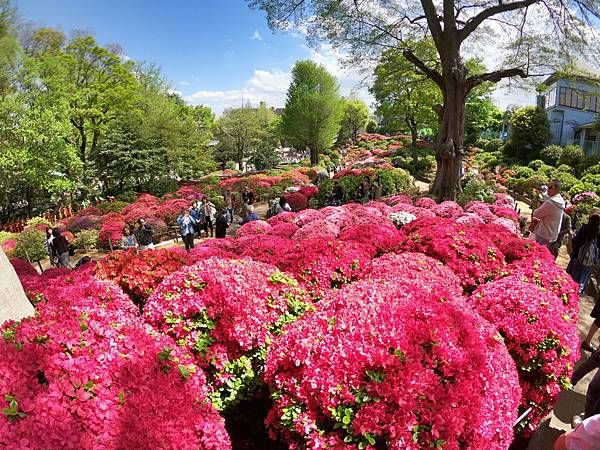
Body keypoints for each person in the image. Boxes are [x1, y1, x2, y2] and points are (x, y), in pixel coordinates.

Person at [567, 214, 600, 296]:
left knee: (573, 279)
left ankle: (569, 295)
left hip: (578, 257)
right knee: (583, 278)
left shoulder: (585, 228)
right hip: (590, 262)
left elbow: (575, 241)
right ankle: (577, 294)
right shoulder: (599, 232)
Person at [531, 179, 566, 248]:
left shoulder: (551, 202)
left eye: (550, 187)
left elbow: (536, 214)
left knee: (537, 253)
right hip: (551, 234)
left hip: (543, 234)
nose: (548, 190)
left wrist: (539, 206)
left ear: (557, 189)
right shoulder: (560, 200)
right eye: (548, 187)